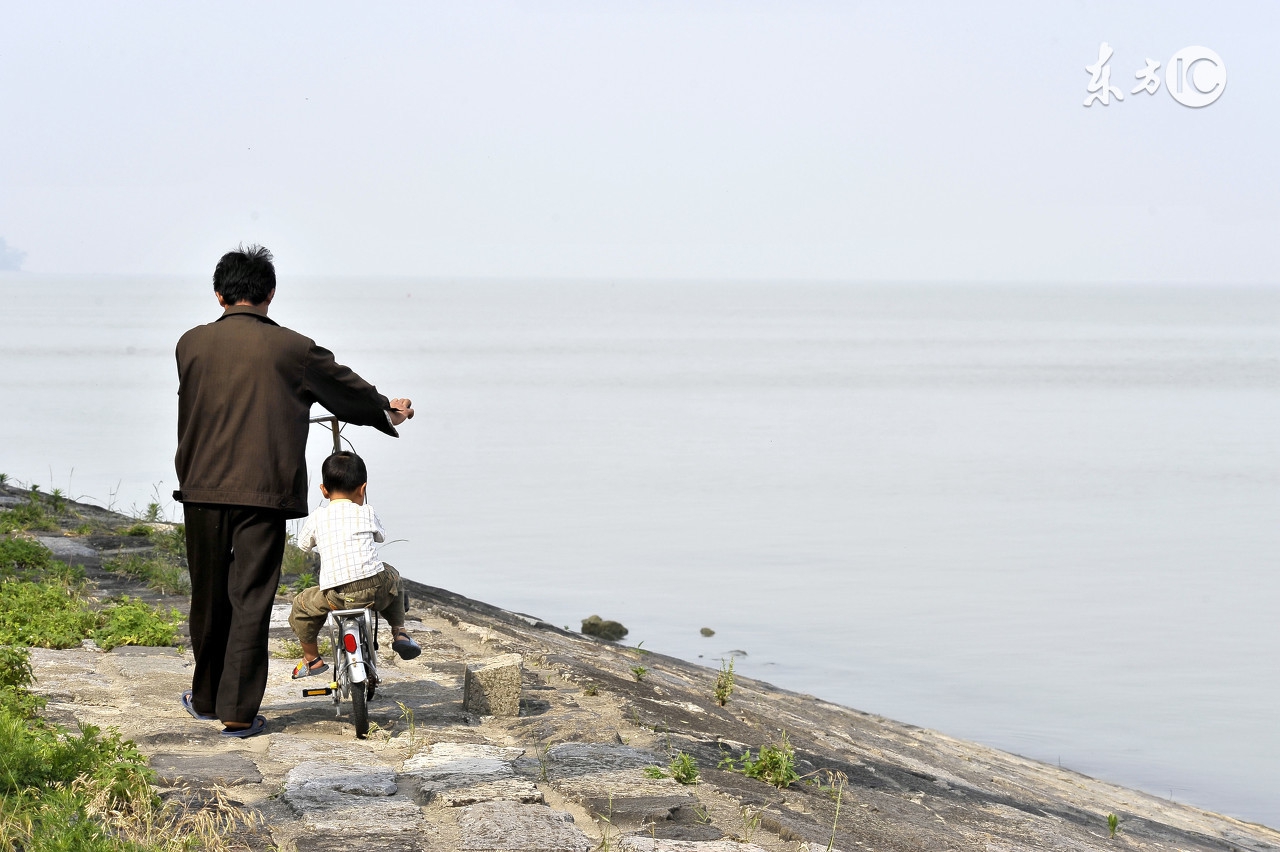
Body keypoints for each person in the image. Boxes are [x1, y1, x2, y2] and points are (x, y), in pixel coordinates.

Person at [174, 244, 413, 737]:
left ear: (218, 293)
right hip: (264, 492)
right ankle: (237, 710)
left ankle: (205, 697)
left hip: (201, 487)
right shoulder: (295, 349)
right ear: (271, 294)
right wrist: (385, 410)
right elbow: (344, 387)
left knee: (209, 595)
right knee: (250, 598)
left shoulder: (190, 344)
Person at [287, 451, 419, 679]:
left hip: (336, 596)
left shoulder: (318, 516)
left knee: (301, 606)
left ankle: (312, 659)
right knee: (394, 577)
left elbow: (303, 545)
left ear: (324, 490)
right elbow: (380, 536)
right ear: (363, 488)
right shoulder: (366, 511)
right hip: (375, 589)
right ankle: (400, 633)